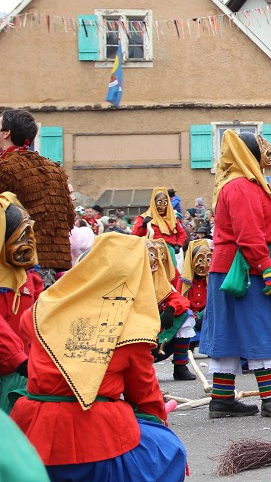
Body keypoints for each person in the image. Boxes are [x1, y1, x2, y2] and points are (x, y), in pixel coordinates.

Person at [10, 232, 187, 480]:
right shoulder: (131, 331)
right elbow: (145, 396)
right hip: (95, 440)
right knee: (169, 451)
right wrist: (159, 422)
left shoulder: (41, 312)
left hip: (30, 431)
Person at [201, 130, 271, 419]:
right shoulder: (243, 186)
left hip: (230, 267)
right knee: (259, 328)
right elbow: (248, 234)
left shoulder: (234, 184)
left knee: (230, 330)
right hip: (246, 268)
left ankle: (222, 400)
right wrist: (267, 269)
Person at [0, 108, 76, 282]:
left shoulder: (5, 167)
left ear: (6, 134)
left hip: (21, 262)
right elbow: (69, 220)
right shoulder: (55, 169)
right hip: (58, 262)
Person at [0, 193, 41, 412]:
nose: (27, 244)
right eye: (20, 235)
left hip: (22, 372)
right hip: (16, 366)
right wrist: (17, 358)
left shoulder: (29, 276)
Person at [145, 239, 197, 382]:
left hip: (159, 334)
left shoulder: (162, 280)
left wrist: (170, 309)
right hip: (137, 335)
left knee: (187, 315)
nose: (156, 259)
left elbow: (182, 300)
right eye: (150, 255)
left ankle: (180, 367)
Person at [132, 187, 188, 258]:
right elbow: (136, 236)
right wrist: (143, 225)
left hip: (169, 251)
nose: (162, 206)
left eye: (165, 202)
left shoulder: (172, 219)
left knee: (171, 268)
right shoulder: (144, 217)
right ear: (154, 202)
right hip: (151, 252)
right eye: (159, 202)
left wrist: (178, 245)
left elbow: (182, 233)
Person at [178, 238, 211, 357]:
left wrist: (203, 314)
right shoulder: (184, 281)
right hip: (190, 316)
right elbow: (180, 300)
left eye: (208, 259)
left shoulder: (212, 280)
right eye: (200, 260)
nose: (204, 264)